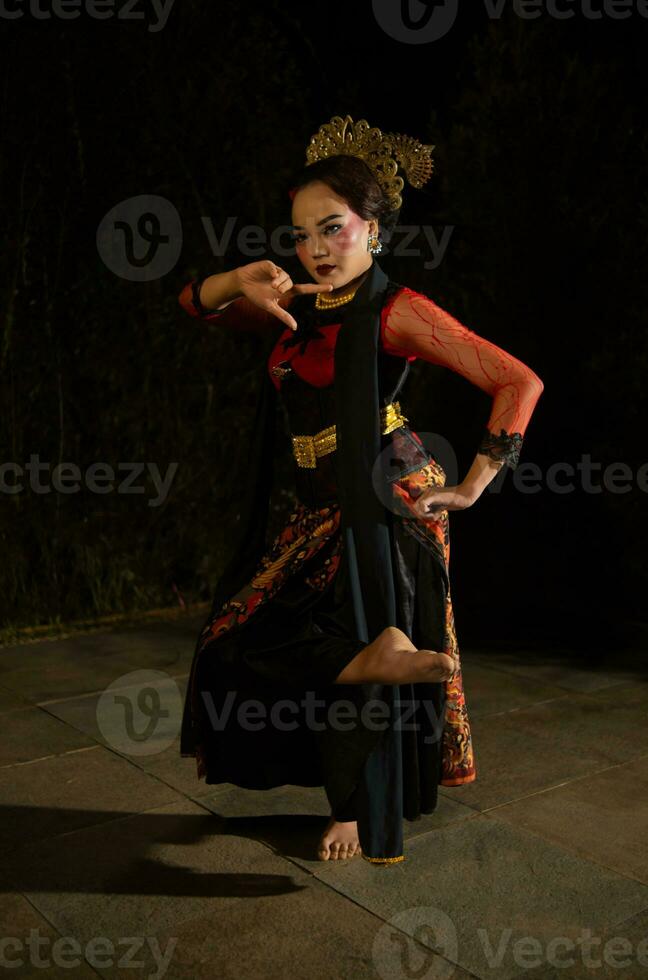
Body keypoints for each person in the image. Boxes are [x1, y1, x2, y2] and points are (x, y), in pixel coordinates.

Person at [178, 115, 544, 865]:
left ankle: (356, 806)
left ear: (374, 230)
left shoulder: (396, 309)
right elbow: (193, 306)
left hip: (389, 493)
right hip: (320, 500)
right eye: (302, 233)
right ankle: (365, 724)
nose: (314, 249)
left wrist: (475, 485)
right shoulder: (296, 307)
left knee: (362, 629)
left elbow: (517, 379)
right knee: (240, 640)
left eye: (333, 229)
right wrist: (235, 279)